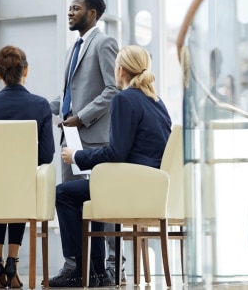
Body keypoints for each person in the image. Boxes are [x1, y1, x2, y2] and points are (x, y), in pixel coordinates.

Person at [50, 45, 172, 287]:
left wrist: (78, 156)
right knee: (92, 194)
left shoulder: (124, 100)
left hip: (130, 188)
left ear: (120, 70)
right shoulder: (157, 103)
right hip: (151, 189)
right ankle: (96, 272)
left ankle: (78, 268)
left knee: (64, 193)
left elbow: (116, 152)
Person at [48, 0, 124, 284]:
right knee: (71, 205)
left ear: (92, 13)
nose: (70, 12)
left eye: (75, 8)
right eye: (69, 7)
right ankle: (77, 268)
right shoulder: (73, 49)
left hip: (93, 138)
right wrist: (42, 108)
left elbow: (112, 89)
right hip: (70, 138)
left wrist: (82, 118)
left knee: (101, 206)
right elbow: (68, 96)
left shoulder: (104, 43)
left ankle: (109, 268)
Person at [0, 45, 55, 288]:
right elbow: (47, 154)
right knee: (21, 186)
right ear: (25, 71)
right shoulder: (40, 105)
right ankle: (12, 262)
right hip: (24, 187)